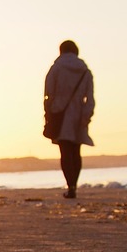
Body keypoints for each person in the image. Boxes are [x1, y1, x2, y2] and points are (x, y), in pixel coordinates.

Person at [43, 40, 95, 198]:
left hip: (60, 112)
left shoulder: (56, 68)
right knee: (76, 151)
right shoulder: (85, 71)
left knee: (65, 152)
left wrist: (48, 113)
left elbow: (48, 92)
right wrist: (87, 115)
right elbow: (90, 98)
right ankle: (74, 186)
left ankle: (70, 186)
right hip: (78, 113)